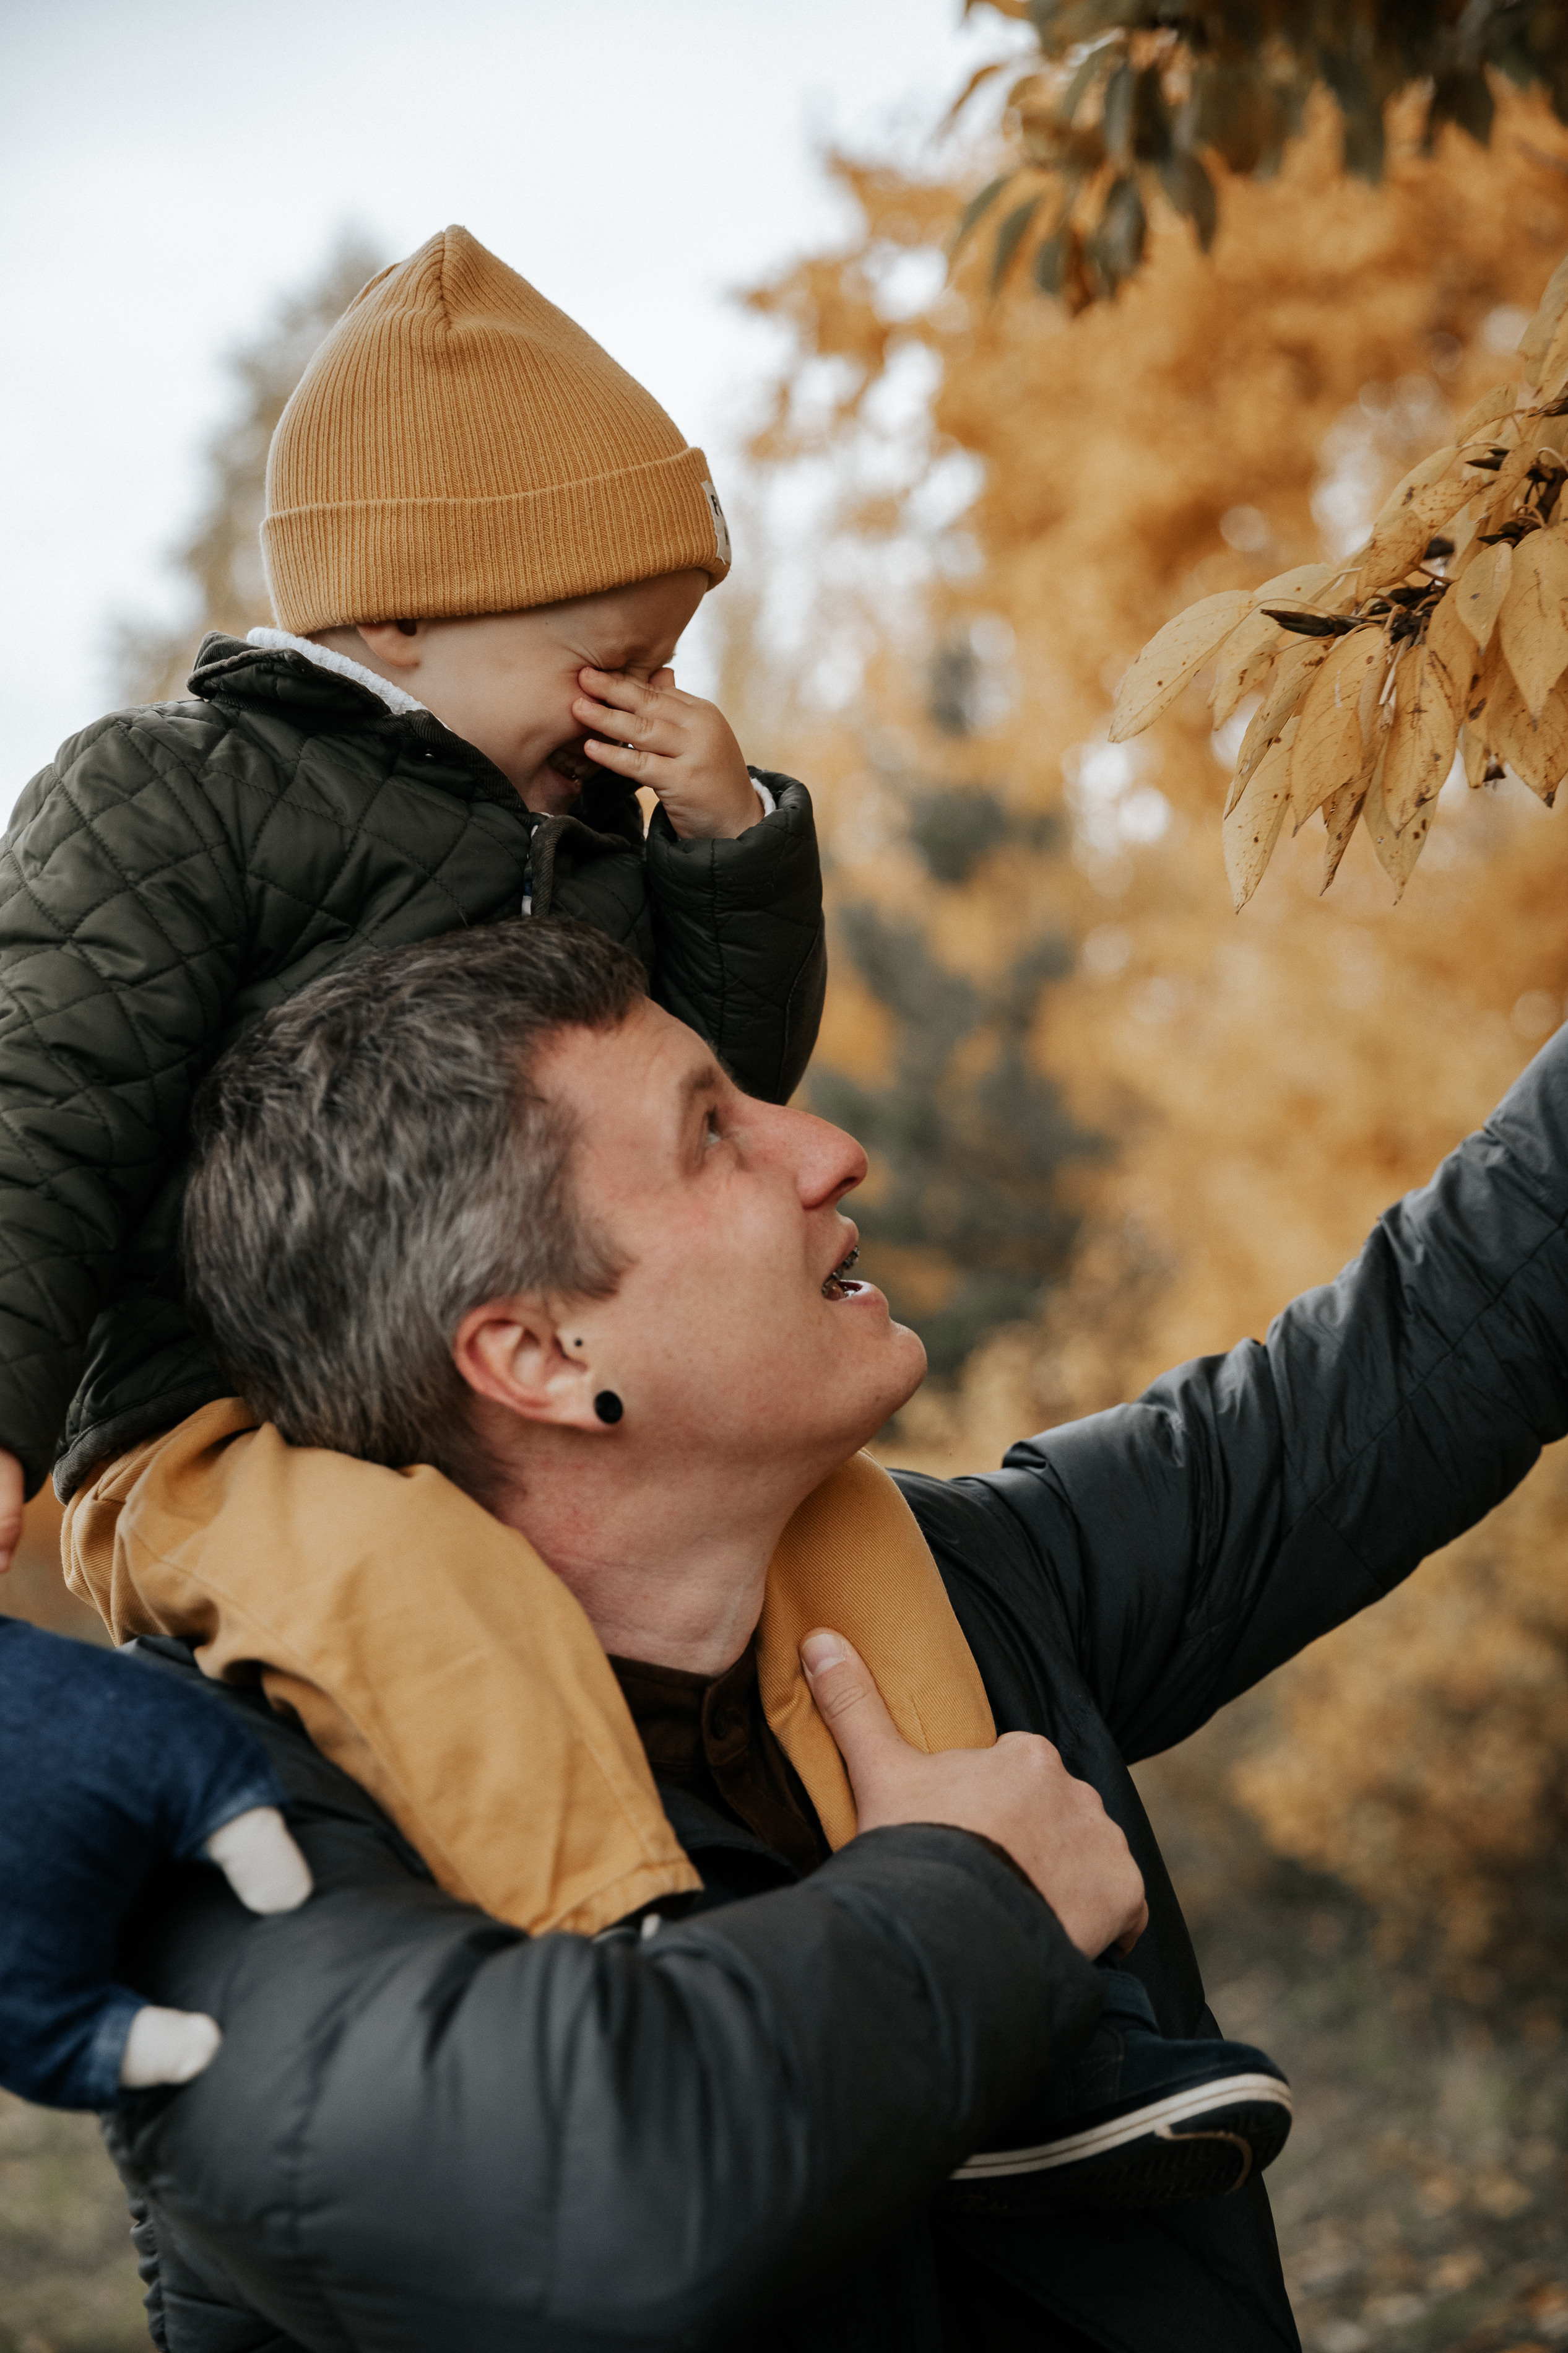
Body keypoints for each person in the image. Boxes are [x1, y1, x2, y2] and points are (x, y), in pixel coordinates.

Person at [56, 916, 1568, 2350]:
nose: (830, 1149)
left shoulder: (961, 1583)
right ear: (535, 1350)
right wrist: (981, 1899)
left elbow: (1431, 1333)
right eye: (711, 1128)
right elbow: (583, 2211)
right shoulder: (214, 1822)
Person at [0, 221, 825, 1567]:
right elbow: (41, 1113)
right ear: (402, 618)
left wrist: (728, 840)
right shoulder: (178, 796)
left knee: (846, 1539)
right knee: (432, 1626)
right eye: (617, 658)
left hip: (521, 1418)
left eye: (668, 665)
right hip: (227, 1424)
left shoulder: (592, 848)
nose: (646, 704)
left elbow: (728, 1090)